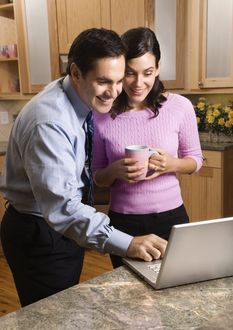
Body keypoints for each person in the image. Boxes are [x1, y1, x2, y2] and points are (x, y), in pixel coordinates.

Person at [0, 28, 167, 307]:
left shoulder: (76, 96)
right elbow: (63, 209)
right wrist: (129, 243)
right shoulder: (50, 123)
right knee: (52, 324)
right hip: (41, 233)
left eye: (117, 80)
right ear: (76, 73)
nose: (114, 92)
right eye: (104, 81)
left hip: (58, 228)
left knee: (65, 314)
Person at [92, 27, 203, 268]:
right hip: (123, 224)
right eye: (130, 73)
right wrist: (115, 171)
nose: (139, 83)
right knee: (128, 296)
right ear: (120, 70)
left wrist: (171, 164)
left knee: (175, 289)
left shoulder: (179, 107)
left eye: (148, 73)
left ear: (158, 69)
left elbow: (195, 159)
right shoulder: (101, 115)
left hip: (171, 218)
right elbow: (98, 176)